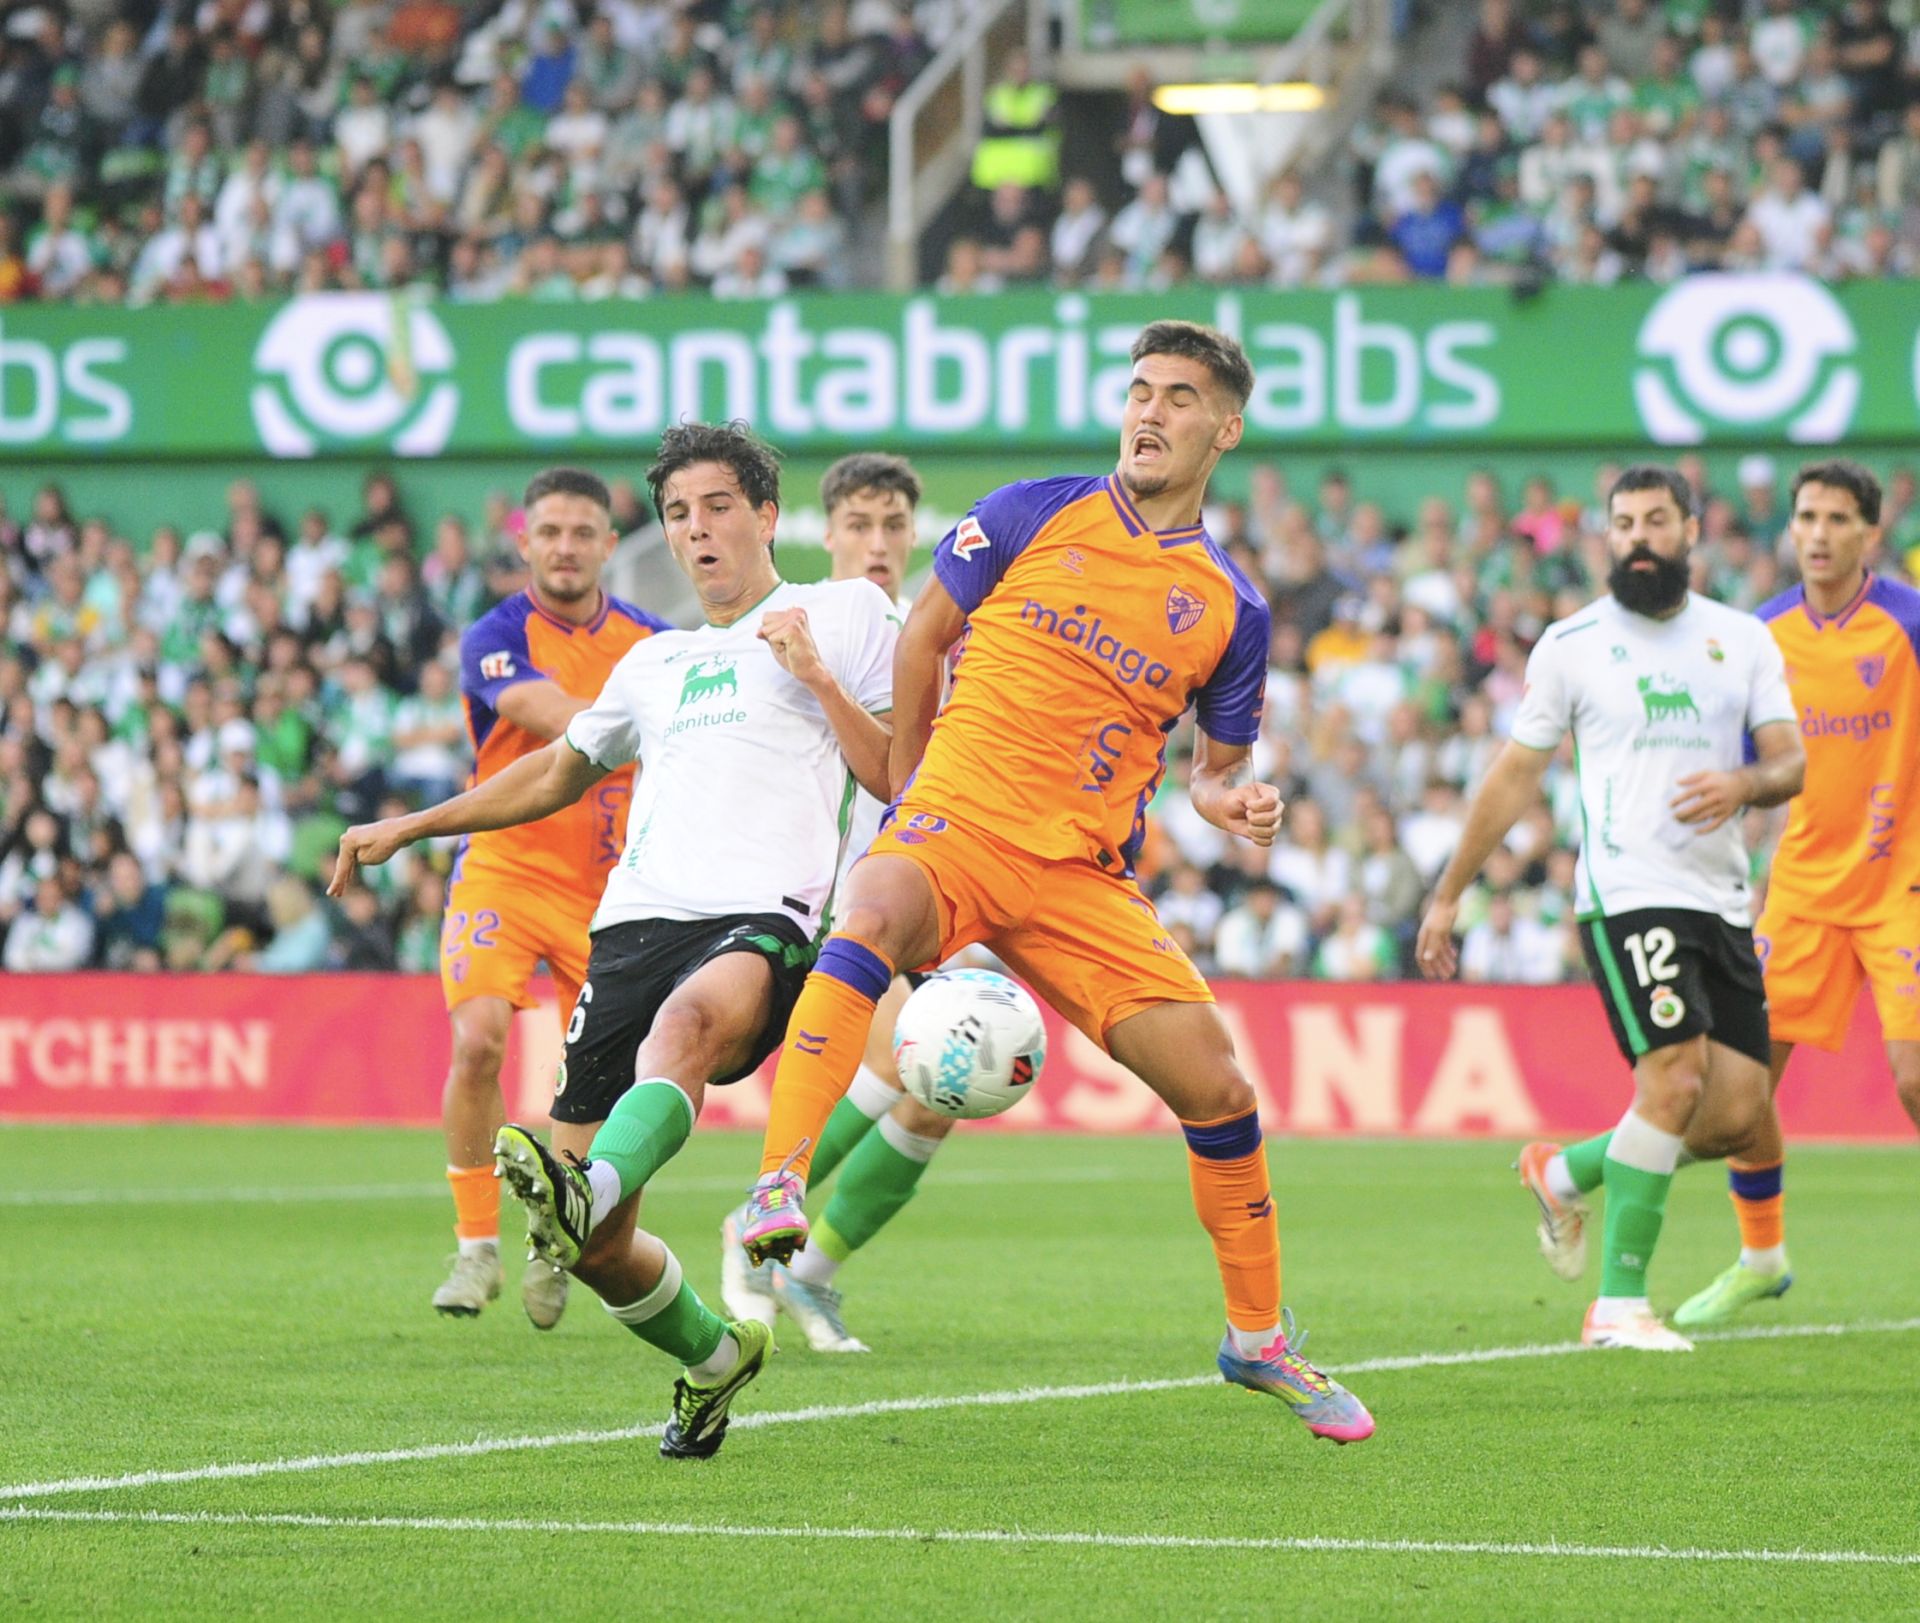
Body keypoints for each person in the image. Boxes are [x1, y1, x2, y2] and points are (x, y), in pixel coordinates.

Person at [734, 321, 1375, 1445]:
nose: (1150, 411)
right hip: (959, 822)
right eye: (1139, 390)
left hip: (1081, 873)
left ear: (1224, 429)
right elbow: (926, 640)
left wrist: (1237, 803)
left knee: (1219, 1090)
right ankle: (778, 1184)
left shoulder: (1233, 607)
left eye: (1179, 397)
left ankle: (1260, 1340)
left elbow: (1215, 776)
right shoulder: (1037, 509)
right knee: (871, 912)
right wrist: (909, 789)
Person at [332, 422, 898, 1459]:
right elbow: (553, 772)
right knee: (596, 1250)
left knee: (682, 1032)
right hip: (631, 924)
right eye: (678, 514)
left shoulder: (850, 612)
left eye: (719, 506)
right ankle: (716, 1357)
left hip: (764, 916)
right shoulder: (655, 661)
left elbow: (906, 770)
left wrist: (817, 676)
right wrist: (409, 825)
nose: (697, 530)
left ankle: (576, 1186)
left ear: (768, 516)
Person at [1416, 465, 1804, 1352]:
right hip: (1628, 894)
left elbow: (1790, 761)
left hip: (1720, 898)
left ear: (1690, 531)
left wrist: (1744, 780)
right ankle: (1620, 1304)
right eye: (1623, 522)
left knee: (1736, 1114)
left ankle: (1564, 1170)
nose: (1638, 536)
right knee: (1671, 1080)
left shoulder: (1740, 640)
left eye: (1655, 520)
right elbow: (1515, 773)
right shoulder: (1573, 643)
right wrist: (1448, 893)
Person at [1674, 460, 1920, 1329]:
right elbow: (1738, 758)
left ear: (1870, 533)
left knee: (1915, 1078)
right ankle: (1760, 1256)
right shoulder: (1762, 633)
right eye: (1806, 516)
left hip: (1903, 886)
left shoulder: (1909, 622)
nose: (1817, 533)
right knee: (1727, 1108)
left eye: (1837, 518)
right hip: (1804, 891)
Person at [427, 469, 668, 1328]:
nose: (566, 547)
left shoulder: (652, 640)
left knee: (589, 1089)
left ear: (610, 544)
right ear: (525, 542)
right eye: (551, 531)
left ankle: (551, 1236)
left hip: (609, 892)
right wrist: (646, 722)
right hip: (504, 865)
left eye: (583, 532)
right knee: (481, 1040)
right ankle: (474, 1245)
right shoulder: (496, 633)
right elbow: (537, 706)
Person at [718, 451, 945, 1355]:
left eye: (894, 526)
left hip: (913, 885)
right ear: (827, 533)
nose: (879, 543)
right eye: (860, 525)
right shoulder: (791, 624)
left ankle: (808, 1274)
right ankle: (760, 1213)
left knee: (939, 1095)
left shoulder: (931, 630)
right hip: (821, 896)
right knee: (901, 1054)